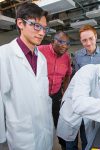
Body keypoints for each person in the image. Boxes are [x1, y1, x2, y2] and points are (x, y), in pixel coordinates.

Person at [0, 3, 53, 150]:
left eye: (44, 28)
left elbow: (42, 95)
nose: (42, 33)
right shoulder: (4, 55)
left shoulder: (41, 58)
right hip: (21, 135)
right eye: (36, 26)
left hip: (44, 130)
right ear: (20, 23)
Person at [73, 24, 100, 149]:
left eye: (90, 38)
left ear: (95, 37)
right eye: (84, 40)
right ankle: (86, 146)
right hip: (85, 95)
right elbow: (77, 76)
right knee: (85, 126)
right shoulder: (78, 56)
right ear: (81, 41)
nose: (88, 43)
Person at [38, 31, 72, 150]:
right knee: (39, 122)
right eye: (61, 41)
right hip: (39, 95)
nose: (64, 45)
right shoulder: (39, 50)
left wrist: (66, 94)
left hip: (56, 94)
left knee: (60, 122)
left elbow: (67, 75)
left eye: (67, 43)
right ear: (53, 41)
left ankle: (64, 146)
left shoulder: (67, 57)